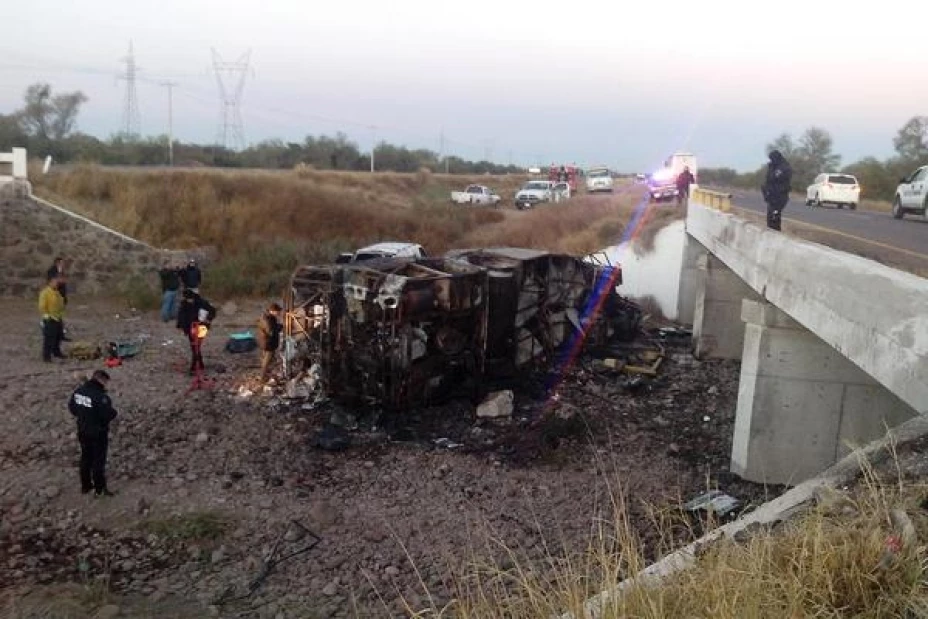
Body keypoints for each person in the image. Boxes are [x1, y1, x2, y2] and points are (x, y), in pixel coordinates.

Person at [69, 370, 118, 496]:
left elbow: (72, 408)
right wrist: (113, 413)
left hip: (82, 430)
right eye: (106, 382)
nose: (106, 385)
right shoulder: (100, 397)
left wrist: (84, 416)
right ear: (101, 380)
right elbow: (107, 414)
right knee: (98, 461)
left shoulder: (79, 392)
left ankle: (85, 486)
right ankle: (100, 489)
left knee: (85, 458)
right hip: (98, 432)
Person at [176, 288, 216, 376]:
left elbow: (212, 311)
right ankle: (199, 364)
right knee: (194, 346)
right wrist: (180, 326)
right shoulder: (184, 304)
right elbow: (181, 315)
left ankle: (195, 366)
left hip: (201, 327)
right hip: (190, 328)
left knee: (197, 346)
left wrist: (208, 319)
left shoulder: (202, 302)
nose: (188, 300)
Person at [762, 149, 792, 231]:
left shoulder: (784, 167)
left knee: (775, 215)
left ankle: (776, 231)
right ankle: (772, 231)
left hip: (780, 195)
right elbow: (768, 179)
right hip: (772, 196)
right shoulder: (772, 166)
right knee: (770, 217)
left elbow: (774, 177)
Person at [38, 274, 66, 362]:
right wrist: (47, 316)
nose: (56, 284)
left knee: (58, 337)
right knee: (49, 338)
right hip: (50, 318)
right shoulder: (45, 292)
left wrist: (60, 316)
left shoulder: (57, 292)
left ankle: (56, 352)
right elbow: (42, 306)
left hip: (58, 317)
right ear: (50, 282)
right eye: (55, 282)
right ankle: (46, 356)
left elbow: (61, 304)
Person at [257, 302, 283, 383]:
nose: (279, 313)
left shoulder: (269, 317)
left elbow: (272, 327)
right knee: (266, 362)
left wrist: (278, 326)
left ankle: (266, 375)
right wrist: (281, 327)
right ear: (272, 311)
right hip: (268, 343)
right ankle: (262, 378)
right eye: (278, 311)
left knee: (267, 360)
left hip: (267, 342)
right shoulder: (268, 319)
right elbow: (271, 331)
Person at [46, 256, 71, 340]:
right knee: (54, 318)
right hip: (54, 297)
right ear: (57, 263)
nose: (63, 264)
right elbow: (53, 282)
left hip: (61, 296)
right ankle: (54, 334)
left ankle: (60, 335)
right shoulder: (51, 271)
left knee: (60, 317)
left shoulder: (61, 271)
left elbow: (64, 281)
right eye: (61, 263)